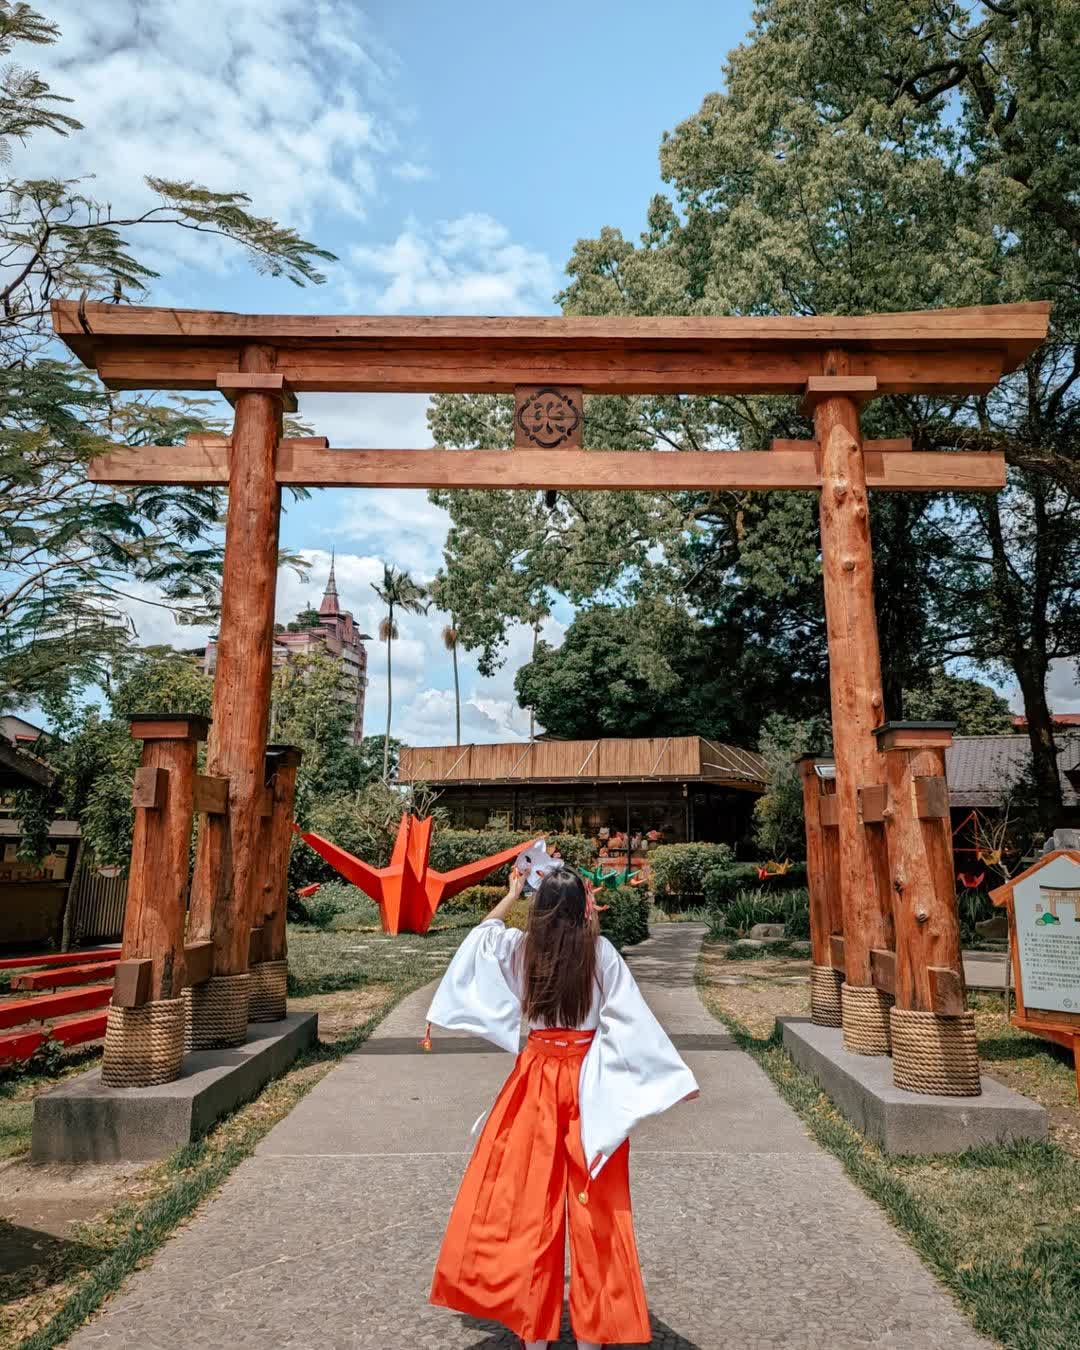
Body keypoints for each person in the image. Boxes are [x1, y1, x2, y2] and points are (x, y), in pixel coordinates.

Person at [425, 864, 699, 1349]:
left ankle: (534, 1332)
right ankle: (595, 1332)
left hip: (534, 1079)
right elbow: (631, 1018)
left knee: (528, 1205)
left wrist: (511, 894)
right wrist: (665, 1078)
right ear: (583, 906)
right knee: (599, 1207)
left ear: (539, 906)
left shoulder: (519, 947)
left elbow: (481, 935)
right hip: (589, 1082)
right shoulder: (599, 952)